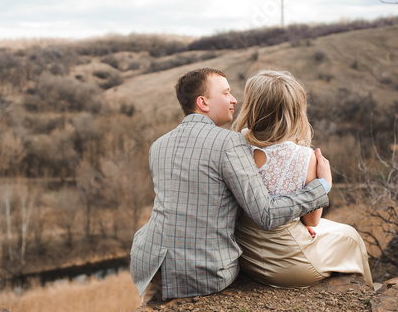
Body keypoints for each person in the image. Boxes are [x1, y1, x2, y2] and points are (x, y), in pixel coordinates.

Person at [130, 68, 332, 306]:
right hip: (203, 273)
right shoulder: (230, 142)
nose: (234, 99)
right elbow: (265, 214)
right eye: (226, 92)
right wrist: (321, 187)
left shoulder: (158, 145)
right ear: (203, 102)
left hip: (150, 261)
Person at [233, 70, 373, 288]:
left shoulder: (234, 145)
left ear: (251, 106)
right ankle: (367, 296)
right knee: (351, 236)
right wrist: (323, 184)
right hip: (288, 266)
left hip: (245, 255)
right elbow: (311, 221)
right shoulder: (304, 157)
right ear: (296, 111)